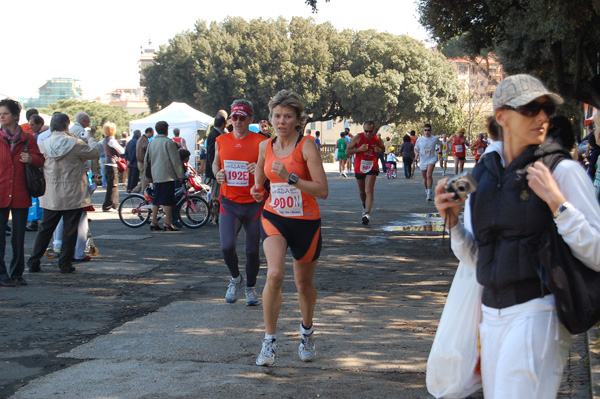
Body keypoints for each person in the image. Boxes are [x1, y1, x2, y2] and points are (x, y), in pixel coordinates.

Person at [435, 74, 600, 398]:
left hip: (538, 313)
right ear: (502, 117)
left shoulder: (561, 171)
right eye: (530, 109)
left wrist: (558, 204)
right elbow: (478, 259)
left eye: (545, 109)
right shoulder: (482, 173)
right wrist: (453, 225)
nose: (542, 117)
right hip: (491, 316)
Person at [250, 89, 328, 367]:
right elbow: (261, 168)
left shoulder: (306, 145)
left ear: (297, 120)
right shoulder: (265, 145)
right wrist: (258, 188)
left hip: (306, 222)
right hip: (275, 217)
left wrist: (291, 178)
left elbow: (322, 190)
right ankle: (269, 341)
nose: (281, 121)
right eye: (276, 116)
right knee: (274, 274)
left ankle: (307, 331)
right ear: (270, 118)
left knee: (303, 285)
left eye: (287, 116)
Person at [27, 113, 100, 274]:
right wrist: (91, 138)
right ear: (67, 125)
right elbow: (94, 153)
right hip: (73, 192)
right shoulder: (75, 143)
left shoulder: (44, 144)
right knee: (70, 230)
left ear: (52, 125)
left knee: (45, 229)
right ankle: (65, 263)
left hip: (51, 193)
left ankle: (34, 260)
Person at [213, 100, 268, 304]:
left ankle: (250, 287)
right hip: (229, 202)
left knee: (252, 250)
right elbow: (215, 163)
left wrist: (259, 169)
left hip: (254, 203)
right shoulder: (221, 140)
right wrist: (217, 173)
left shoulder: (262, 141)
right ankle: (235, 278)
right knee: (227, 247)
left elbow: (271, 168)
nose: (237, 121)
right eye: (234, 117)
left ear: (250, 118)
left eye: (241, 118)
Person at [0, 99, 44, 286]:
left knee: (18, 237)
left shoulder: (28, 138)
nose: (1, 117)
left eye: (5, 113)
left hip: (20, 191)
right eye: (0, 114)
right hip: (1, 191)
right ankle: (1, 275)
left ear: (15, 116)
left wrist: (31, 158)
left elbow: (41, 160)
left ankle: (17, 273)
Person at [145, 121, 185, 231]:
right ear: (166, 129)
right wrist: (180, 174)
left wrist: (148, 175)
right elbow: (175, 161)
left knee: (156, 200)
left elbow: (146, 160)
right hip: (168, 175)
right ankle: (167, 222)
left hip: (156, 175)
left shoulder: (151, 142)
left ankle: (154, 221)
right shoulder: (168, 142)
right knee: (168, 200)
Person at [346, 121, 384, 225]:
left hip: (372, 166)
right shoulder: (358, 137)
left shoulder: (377, 138)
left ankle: (366, 214)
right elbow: (347, 151)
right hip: (360, 167)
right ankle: (364, 205)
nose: (368, 133)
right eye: (366, 131)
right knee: (362, 191)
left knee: (368, 190)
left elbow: (383, 149)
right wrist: (359, 149)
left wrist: (379, 150)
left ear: (373, 130)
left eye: (370, 131)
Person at [101, 122, 125, 212]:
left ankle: (112, 204)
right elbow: (122, 151)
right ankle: (109, 205)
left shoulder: (105, 140)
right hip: (112, 165)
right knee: (113, 186)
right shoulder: (112, 140)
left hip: (107, 164)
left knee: (110, 185)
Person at [414, 123, 440, 201]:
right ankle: (426, 189)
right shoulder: (420, 139)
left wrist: (440, 152)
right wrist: (416, 153)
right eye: (425, 130)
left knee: (429, 175)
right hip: (423, 159)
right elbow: (416, 148)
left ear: (431, 130)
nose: (427, 132)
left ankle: (429, 193)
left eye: (428, 130)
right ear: (423, 131)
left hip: (431, 158)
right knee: (425, 177)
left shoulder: (434, 138)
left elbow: (440, 144)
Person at [205, 115, 227, 203]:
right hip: (214, 170)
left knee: (216, 193)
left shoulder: (214, 133)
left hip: (216, 168)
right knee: (215, 194)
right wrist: (214, 170)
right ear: (223, 124)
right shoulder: (214, 135)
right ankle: (212, 214)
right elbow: (211, 154)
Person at [132, 127, 153, 194]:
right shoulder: (144, 140)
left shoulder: (140, 139)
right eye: (152, 133)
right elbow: (148, 149)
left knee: (143, 178)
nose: (152, 135)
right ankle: (143, 192)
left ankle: (135, 190)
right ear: (148, 132)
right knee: (145, 179)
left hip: (139, 161)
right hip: (142, 161)